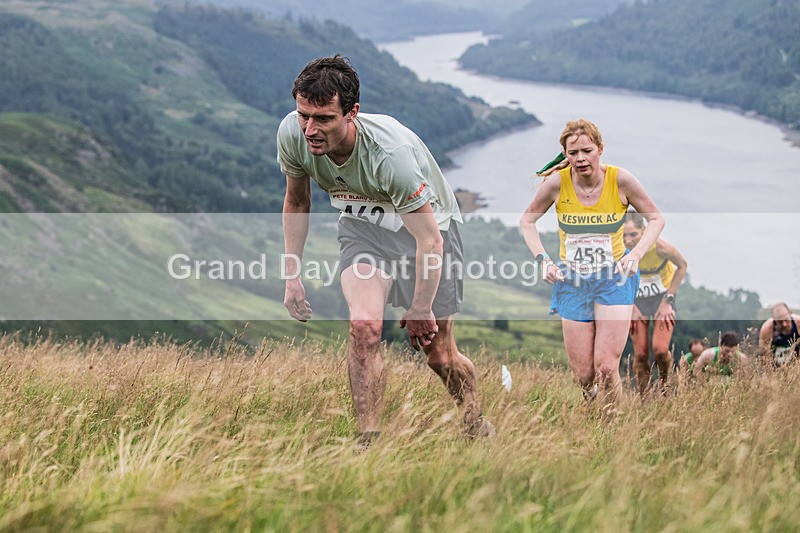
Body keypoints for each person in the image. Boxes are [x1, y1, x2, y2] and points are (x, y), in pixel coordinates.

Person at [278, 55, 493, 445]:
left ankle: (474, 420)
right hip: (363, 232)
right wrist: (292, 275)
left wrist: (421, 307)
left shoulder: (389, 157)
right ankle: (369, 442)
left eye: (323, 118)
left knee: (439, 356)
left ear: (352, 114)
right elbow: (297, 203)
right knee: (364, 328)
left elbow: (430, 240)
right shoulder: (292, 135)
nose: (310, 129)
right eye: (303, 115)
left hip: (428, 233)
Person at [520, 119, 665, 416]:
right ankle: (592, 410)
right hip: (572, 282)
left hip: (613, 279)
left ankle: (610, 429)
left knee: (607, 367)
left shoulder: (620, 180)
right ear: (565, 155)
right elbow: (527, 220)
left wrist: (635, 254)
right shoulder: (557, 184)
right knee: (584, 376)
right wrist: (543, 260)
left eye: (587, 151)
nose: (581, 159)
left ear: (600, 149)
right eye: (573, 153)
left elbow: (657, 219)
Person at [623, 210, 688, 395]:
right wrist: (630, 305)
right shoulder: (619, 249)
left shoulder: (660, 248)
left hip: (662, 298)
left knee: (660, 350)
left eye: (633, 234)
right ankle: (644, 398)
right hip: (637, 300)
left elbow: (682, 265)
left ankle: (664, 385)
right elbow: (615, 278)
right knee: (641, 354)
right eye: (624, 235)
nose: (628, 240)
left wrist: (668, 300)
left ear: (644, 231)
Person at [758, 302, 800, 367]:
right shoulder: (767, 329)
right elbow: (765, 357)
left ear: (790, 313)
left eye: (786, 320)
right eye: (780, 321)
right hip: (775, 365)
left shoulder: (798, 324)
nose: (784, 324)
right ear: (774, 318)